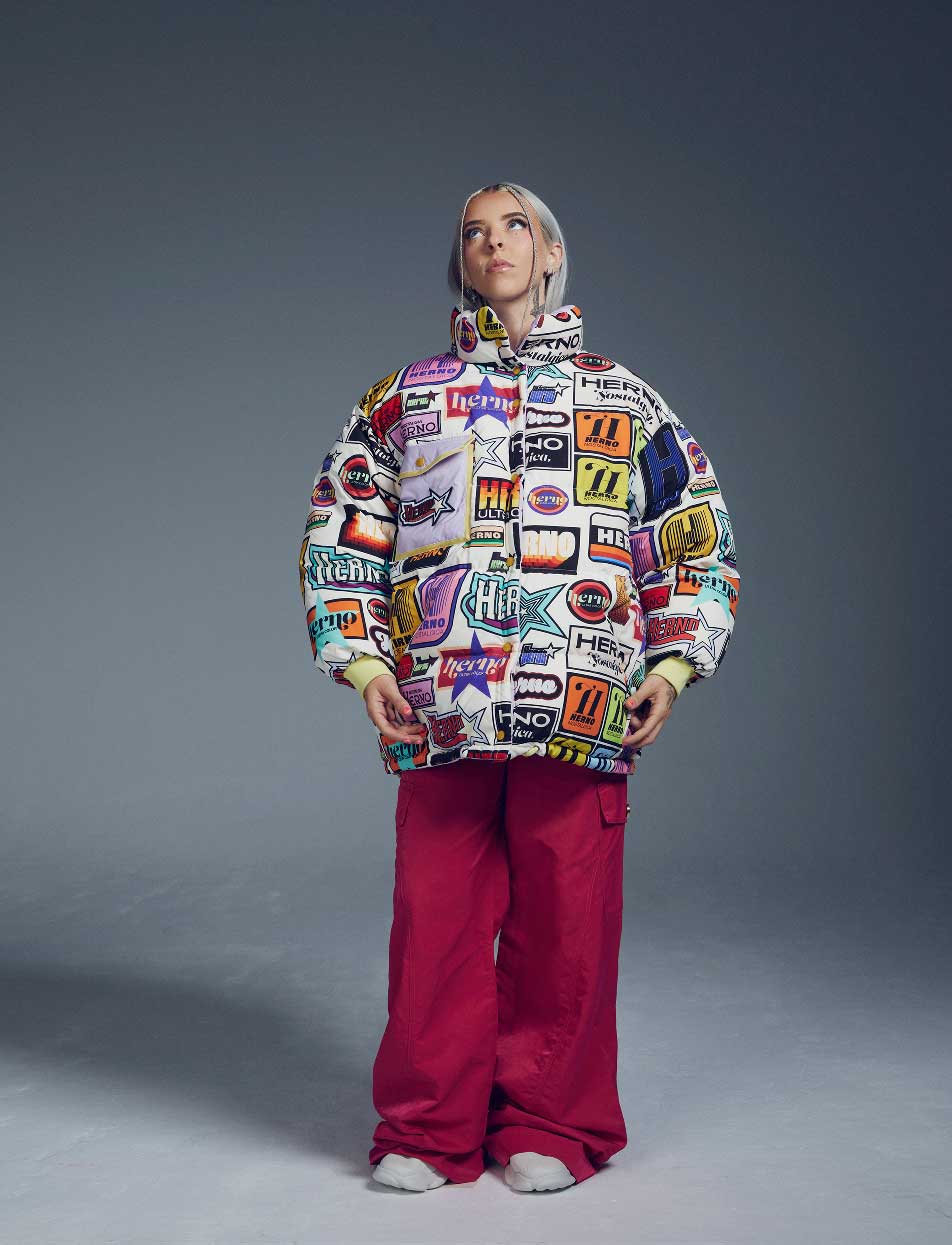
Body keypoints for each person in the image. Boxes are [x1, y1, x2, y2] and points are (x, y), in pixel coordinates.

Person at [298, 182, 741, 1192]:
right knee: (436, 924)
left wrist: (674, 662)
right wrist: (364, 661)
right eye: (474, 231)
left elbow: (692, 536)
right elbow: (342, 533)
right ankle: (427, 1130)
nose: (493, 242)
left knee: (566, 922)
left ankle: (549, 1122)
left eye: (515, 227)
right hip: (438, 706)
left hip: (581, 698)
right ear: (460, 262)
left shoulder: (624, 398)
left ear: (550, 254)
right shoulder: (401, 400)